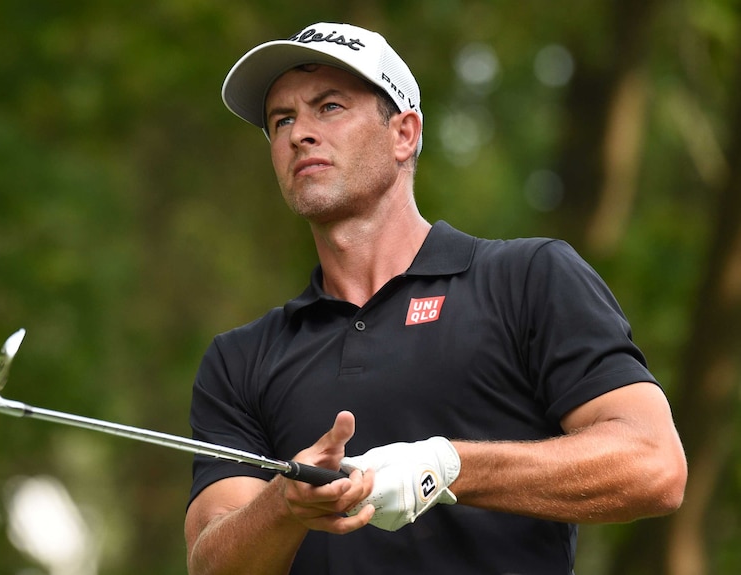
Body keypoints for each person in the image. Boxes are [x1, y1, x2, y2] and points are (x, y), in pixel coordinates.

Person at [184, 22, 687, 575]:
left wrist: (445, 468)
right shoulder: (239, 360)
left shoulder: (526, 278)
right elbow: (211, 563)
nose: (299, 132)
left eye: (328, 107)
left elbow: (654, 465)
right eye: (281, 120)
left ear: (404, 133)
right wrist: (283, 504)